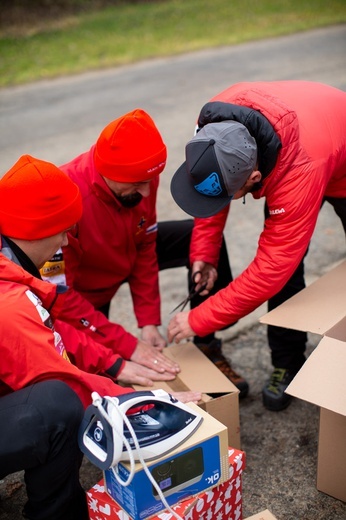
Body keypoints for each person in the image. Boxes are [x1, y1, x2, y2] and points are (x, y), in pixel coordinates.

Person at [0, 154, 201, 520]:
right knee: (59, 407)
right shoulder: (9, 303)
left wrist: (114, 362)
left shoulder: (11, 267)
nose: (65, 240)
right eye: (62, 230)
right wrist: (143, 400)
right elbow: (60, 379)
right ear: (35, 230)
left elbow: (51, 330)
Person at [41, 108, 248, 395]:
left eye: (150, 182)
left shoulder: (142, 180)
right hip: (85, 288)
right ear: (107, 173)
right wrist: (127, 345)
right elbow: (61, 299)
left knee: (195, 238)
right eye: (138, 184)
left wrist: (149, 322)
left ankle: (207, 350)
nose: (148, 194)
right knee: (97, 382)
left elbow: (145, 245)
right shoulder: (66, 198)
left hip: (125, 255)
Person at [167, 80, 346, 411]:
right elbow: (210, 191)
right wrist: (204, 254)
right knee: (289, 276)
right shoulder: (211, 126)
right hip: (300, 143)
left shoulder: (298, 172)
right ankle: (288, 363)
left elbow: (270, 271)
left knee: (283, 267)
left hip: (330, 158)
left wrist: (197, 320)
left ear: (253, 177)